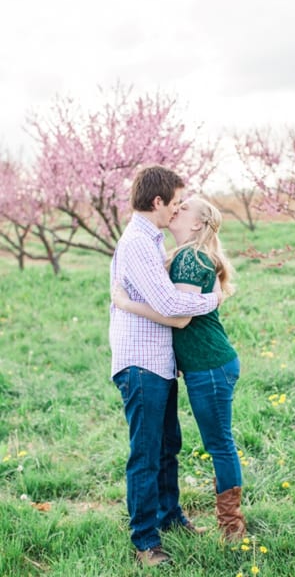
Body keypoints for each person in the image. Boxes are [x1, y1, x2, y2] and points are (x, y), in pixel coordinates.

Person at [113, 195, 247, 543]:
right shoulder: (182, 254)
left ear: (199, 224)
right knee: (210, 443)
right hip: (205, 365)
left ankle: (232, 527)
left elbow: (179, 317)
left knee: (219, 444)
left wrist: (125, 303)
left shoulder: (189, 257)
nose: (177, 208)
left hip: (209, 365)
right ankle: (185, 518)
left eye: (185, 207)